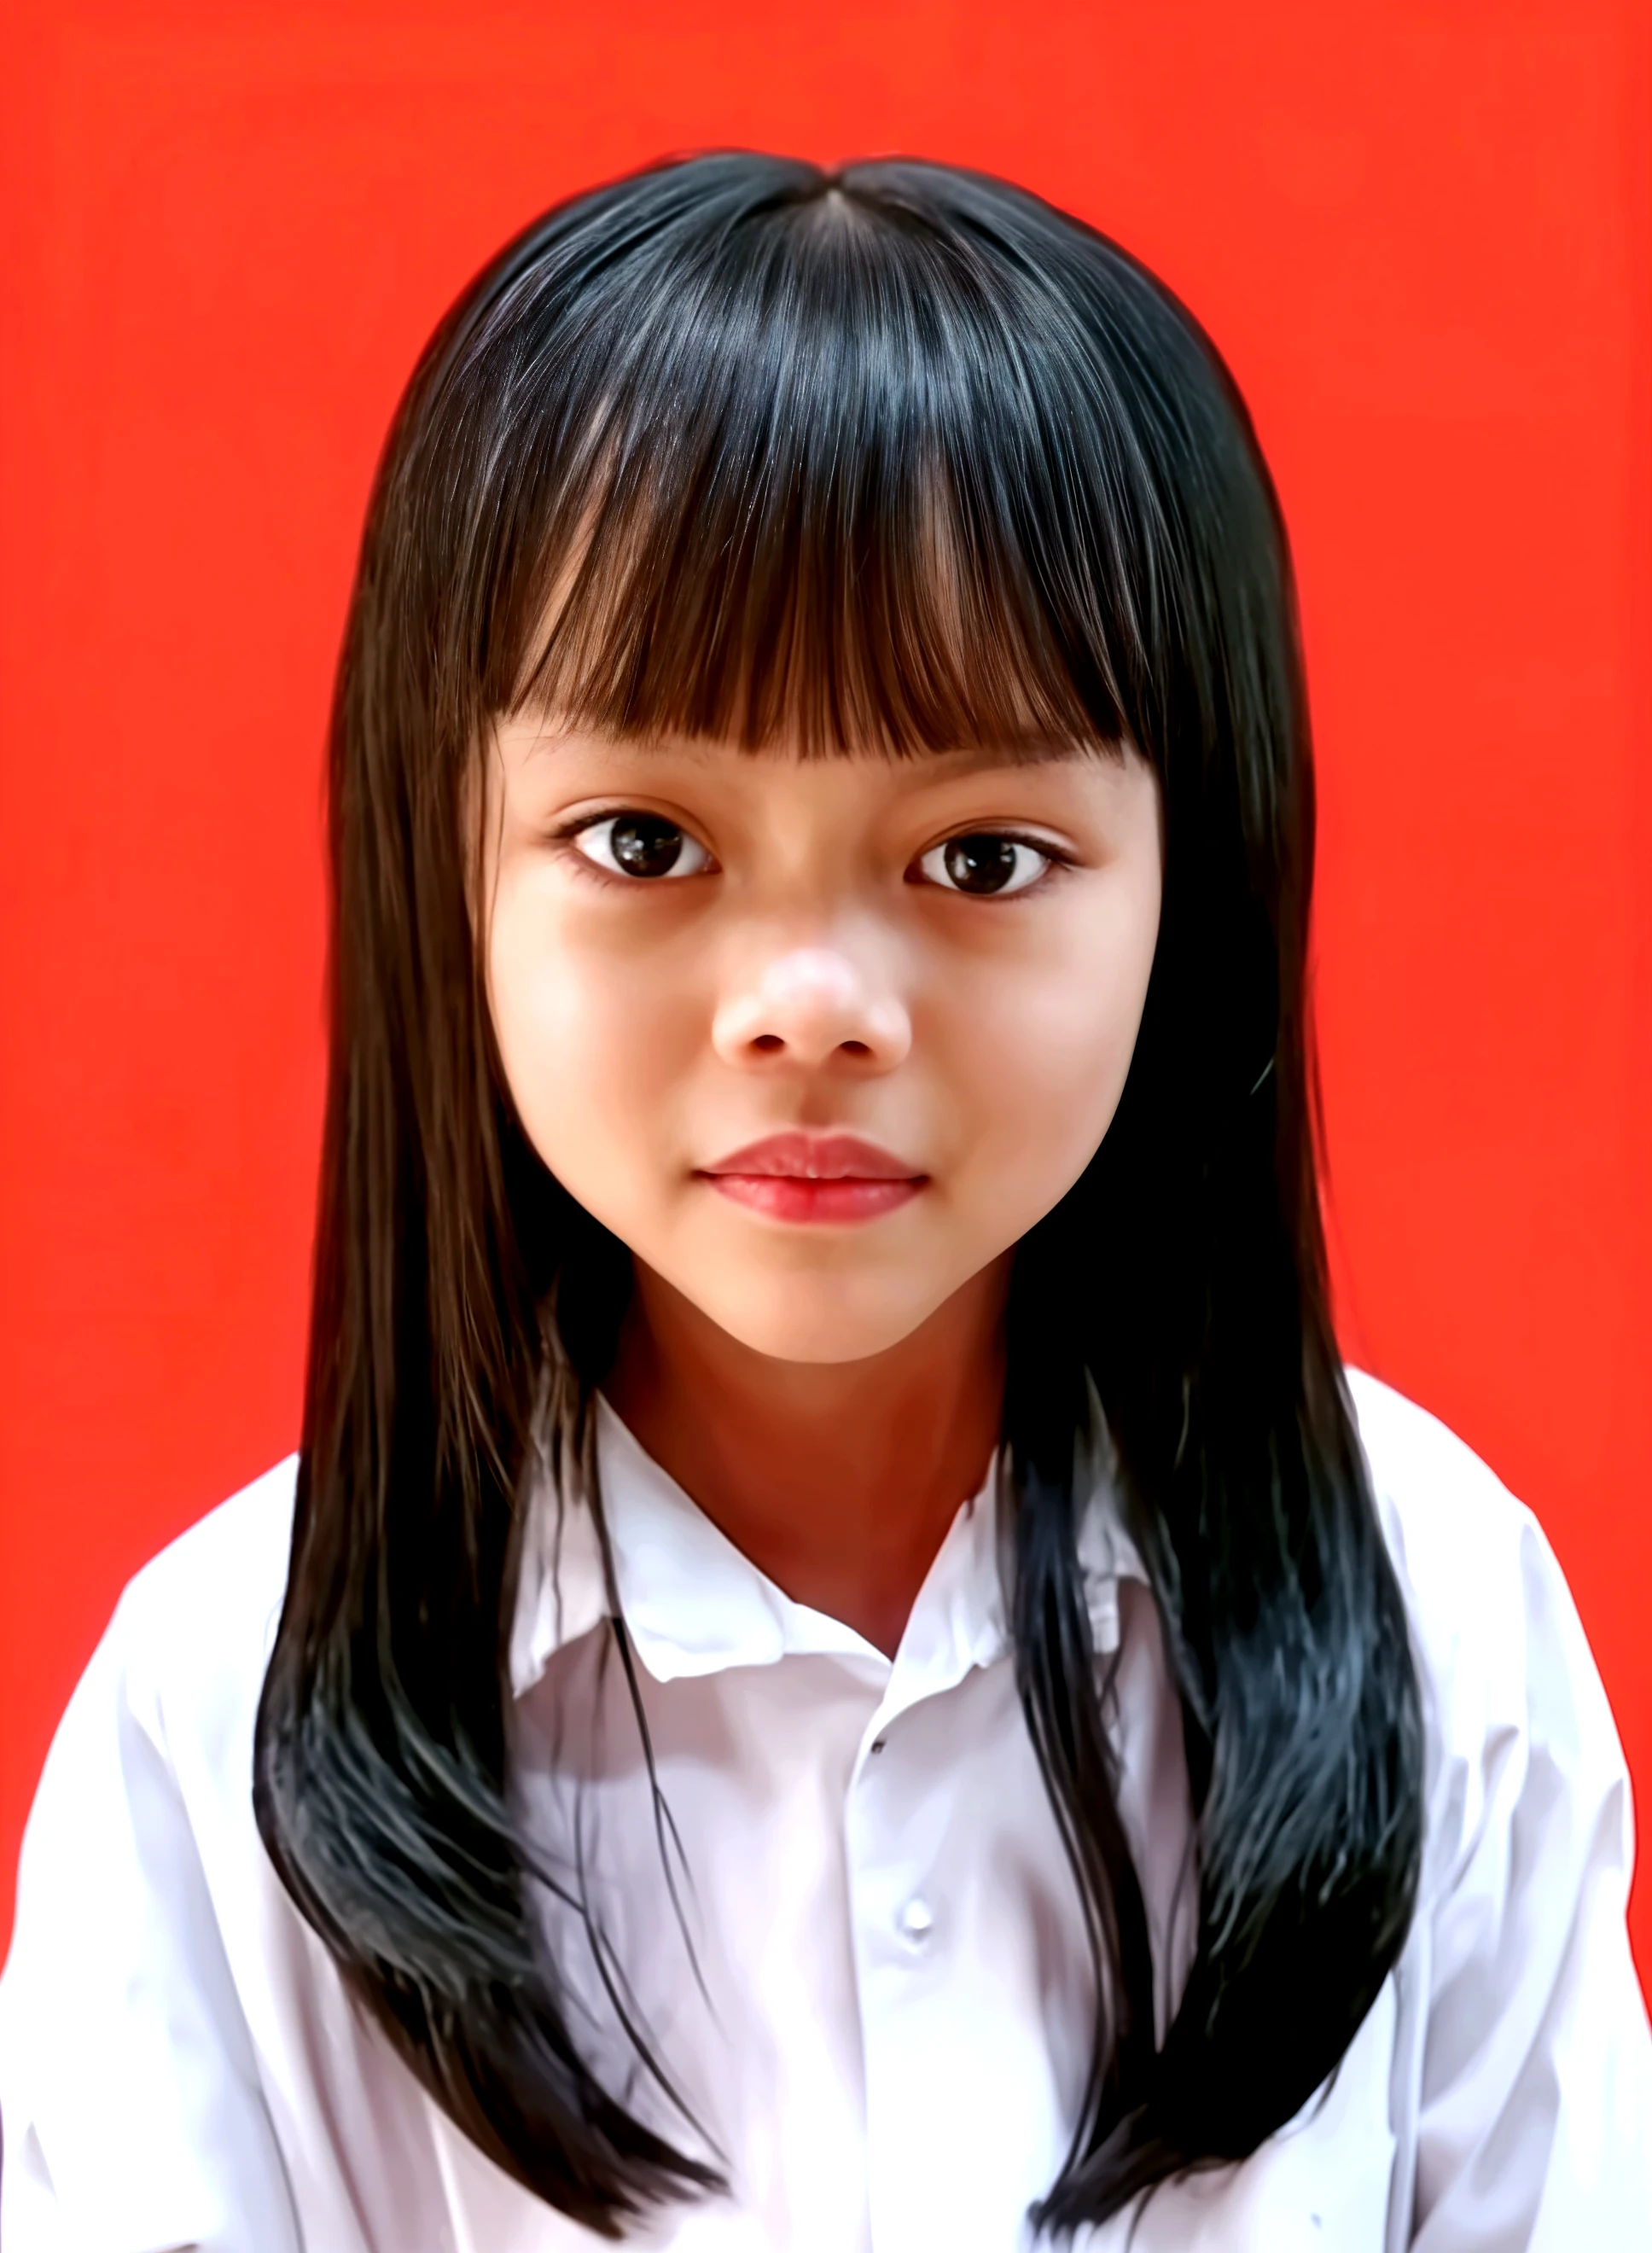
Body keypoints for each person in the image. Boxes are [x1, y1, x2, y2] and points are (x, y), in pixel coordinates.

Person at [1, 152, 1647, 2252]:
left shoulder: (1441, 1619)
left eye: (975, 859)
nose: (809, 1009)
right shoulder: (208, 1711)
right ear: (445, 867)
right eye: (643, 840)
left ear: (1195, 886)